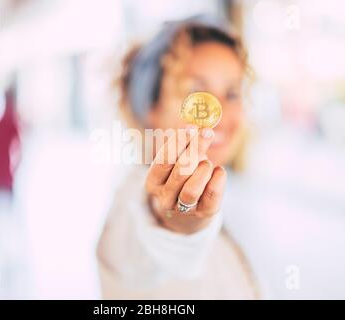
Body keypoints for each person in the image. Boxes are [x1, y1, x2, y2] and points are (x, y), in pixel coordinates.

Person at [96, 15, 259, 299]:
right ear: (151, 108)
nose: (217, 112)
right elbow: (149, 243)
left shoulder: (223, 200)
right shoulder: (128, 211)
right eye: (196, 90)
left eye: (232, 93)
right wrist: (178, 223)